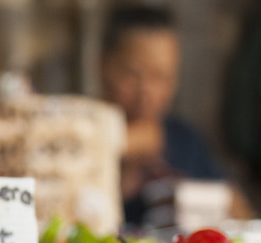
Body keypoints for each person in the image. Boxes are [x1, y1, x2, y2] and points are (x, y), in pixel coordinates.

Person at [100, 4, 251, 231]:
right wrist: (121, 144)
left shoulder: (185, 141)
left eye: (160, 76)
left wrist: (213, 200)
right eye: (132, 74)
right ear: (103, 67)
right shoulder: (75, 135)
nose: (146, 91)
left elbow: (240, 211)